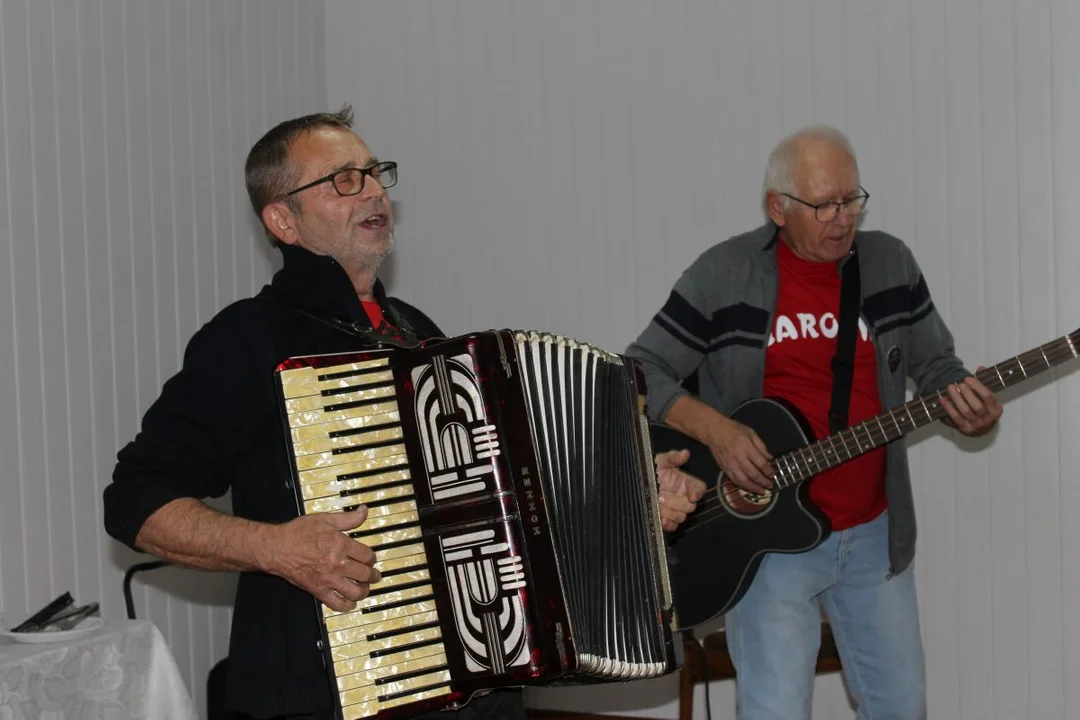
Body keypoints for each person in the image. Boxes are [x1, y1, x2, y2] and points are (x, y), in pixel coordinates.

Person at [103, 106, 704, 720]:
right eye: (341, 180)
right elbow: (135, 501)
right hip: (326, 693)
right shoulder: (246, 339)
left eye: (373, 173)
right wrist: (275, 547)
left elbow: (507, 506)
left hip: (474, 688)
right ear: (283, 219)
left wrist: (631, 499)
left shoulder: (419, 336)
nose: (371, 191)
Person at [624, 125, 1002, 720]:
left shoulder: (890, 264)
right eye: (823, 204)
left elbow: (936, 366)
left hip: (874, 533)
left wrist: (970, 410)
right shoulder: (725, 273)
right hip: (766, 541)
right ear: (778, 207)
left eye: (852, 200)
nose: (841, 217)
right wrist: (718, 433)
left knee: (902, 707)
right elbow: (640, 371)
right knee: (775, 710)